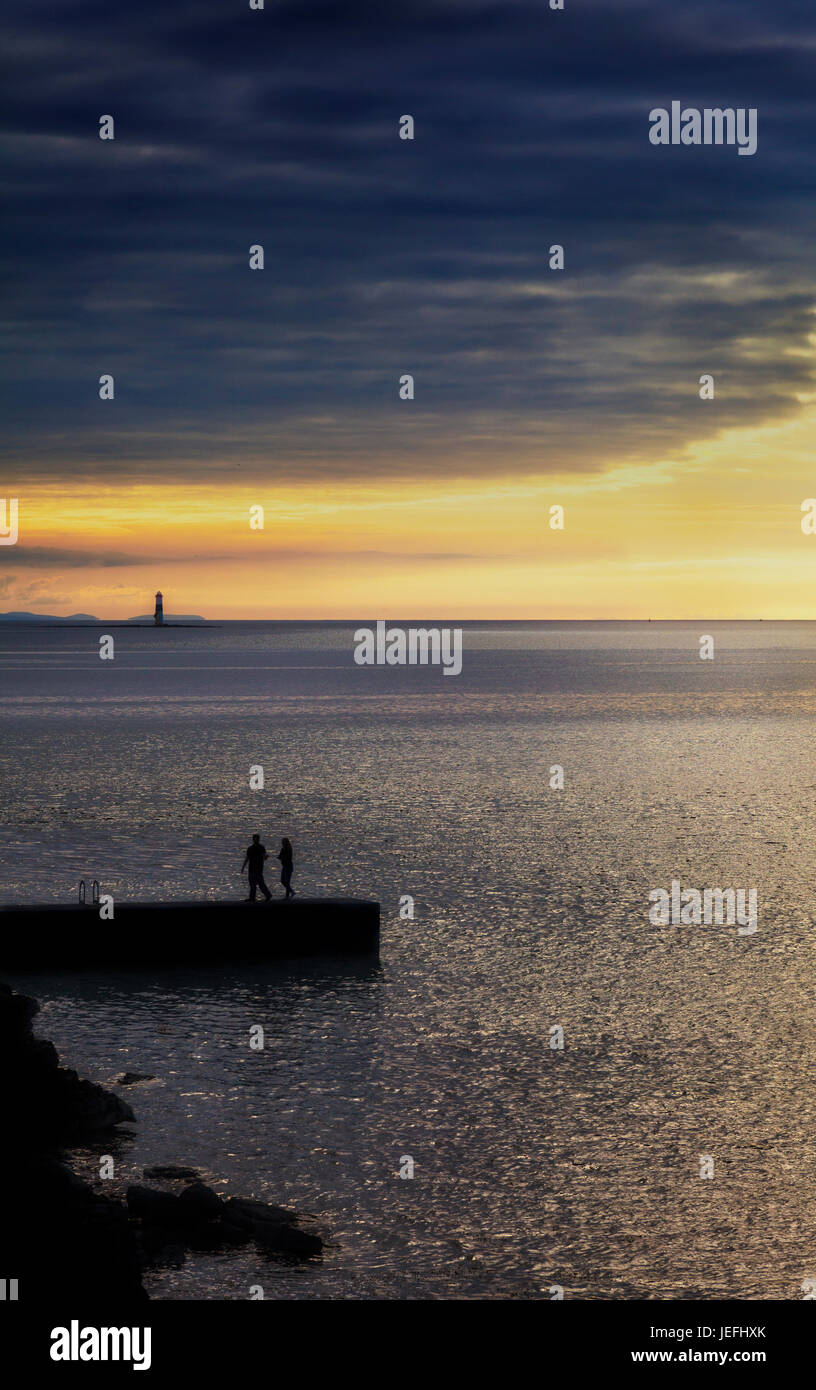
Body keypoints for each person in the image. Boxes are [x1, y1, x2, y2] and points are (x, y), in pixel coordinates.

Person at [241, 833, 271, 902]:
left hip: (258, 869)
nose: (255, 840)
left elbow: (264, 857)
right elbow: (247, 858)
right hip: (252, 868)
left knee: (260, 883)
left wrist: (266, 857)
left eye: (256, 839)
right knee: (252, 884)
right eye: (254, 839)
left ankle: (268, 895)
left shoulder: (261, 848)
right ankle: (252, 898)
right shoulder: (250, 848)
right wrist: (243, 867)